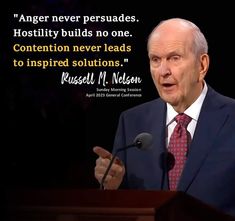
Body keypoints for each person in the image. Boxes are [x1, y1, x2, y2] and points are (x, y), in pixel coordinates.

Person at [93, 18, 235, 217]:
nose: (163, 71)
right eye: (155, 60)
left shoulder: (231, 118)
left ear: (202, 65)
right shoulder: (132, 122)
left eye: (174, 58)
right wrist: (113, 186)